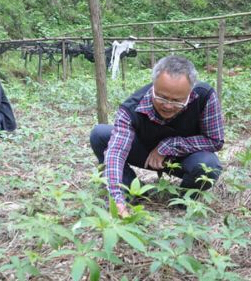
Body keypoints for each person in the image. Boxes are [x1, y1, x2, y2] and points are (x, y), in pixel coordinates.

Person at [90, 55, 224, 217]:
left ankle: (183, 200)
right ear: (153, 85)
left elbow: (215, 140)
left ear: (190, 91)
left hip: (184, 158)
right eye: (161, 97)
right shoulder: (132, 107)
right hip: (145, 153)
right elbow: (116, 152)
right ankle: (128, 191)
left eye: (177, 101)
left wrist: (168, 146)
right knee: (100, 134)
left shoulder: (204, 96)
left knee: (209, 165)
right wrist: (115, 197)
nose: (168, 105)